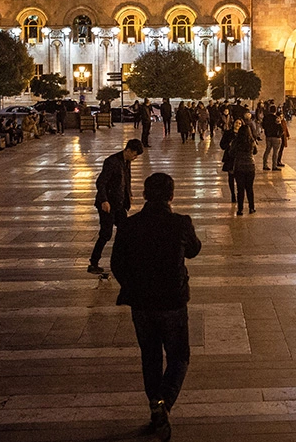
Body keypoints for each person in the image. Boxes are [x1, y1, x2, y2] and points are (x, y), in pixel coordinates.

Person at [111, 172, 201, 441]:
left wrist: (133, 286)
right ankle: (163, 401)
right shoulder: (180, 223)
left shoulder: (129, 225)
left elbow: (117, 264)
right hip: (173, 302)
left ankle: (155, 404)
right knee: (179, 356)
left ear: (144, 195)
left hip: (141, 304)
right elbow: (194, 250)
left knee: (149, 356)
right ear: (171, 196)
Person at [88, 138, 144, 275]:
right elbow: (100, 182)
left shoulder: (126, 161)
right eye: (135, 154)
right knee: (106, 234)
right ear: (128, 150)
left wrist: (129, 194)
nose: (135, 158)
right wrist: (104, 201)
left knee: (125, 231)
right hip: (108, 205)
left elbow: (126, 179)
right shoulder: (112, 162)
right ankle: (93, 263)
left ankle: (124, 260)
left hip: (120, 204)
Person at [221, 117, 257, 215]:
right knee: (249, 188)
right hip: (250, 167)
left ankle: (240, 209)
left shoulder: (236, 142)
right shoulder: (251, 141)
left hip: (239, 167)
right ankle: (251, 207)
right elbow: (255, 152)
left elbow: (231, 153)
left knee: (240, 189)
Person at [261, 105, 284, 171]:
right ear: (275, 110)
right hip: (276, 137)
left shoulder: (266, 117)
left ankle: (265, 165)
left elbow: (263, 126)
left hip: (268, 136)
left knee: (267, 151)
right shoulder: (276, 118)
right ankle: (274, 166)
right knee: (275, 152)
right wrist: (280, 134)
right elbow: (280, 128)